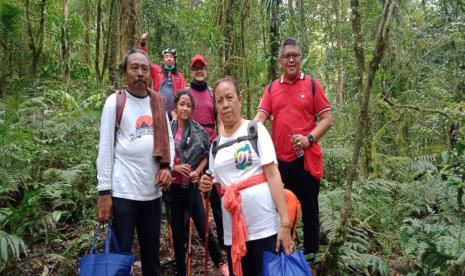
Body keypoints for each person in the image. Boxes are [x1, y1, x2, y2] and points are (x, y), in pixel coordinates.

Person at [200, 77, 294, 276]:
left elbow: (273, 174)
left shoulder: (255, 130)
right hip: (233, 233)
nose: (225, 105)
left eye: (229, 98)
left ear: (239, 99)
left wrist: (285, 224)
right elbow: (218, 189)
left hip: (265, 227)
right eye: (219, 101)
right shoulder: (215, 145)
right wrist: (205, 185)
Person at [96, 48, 174, 276]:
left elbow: (168, 139)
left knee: (152, 256)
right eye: (134, 68)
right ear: (125, 73)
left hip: (152, 194)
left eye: (144, 68)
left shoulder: (158, 102)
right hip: (123, 194)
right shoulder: (115, 102)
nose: (140, 73)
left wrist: (166, 167)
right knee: (120, 256)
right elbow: (105, 148)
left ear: (150, 73)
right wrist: (104, 193)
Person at [254, 38, 333, 257]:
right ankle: (282, 258)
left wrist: (309, 138)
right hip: (280, 164)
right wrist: (247, 131)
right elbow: (261, 115)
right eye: (287, 56)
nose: (291, 59)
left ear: (300, 58)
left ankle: (310, 261)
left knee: (310, 215)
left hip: (305, 161)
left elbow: (327, 119)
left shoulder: (312, 85)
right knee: (280, 212)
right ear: (280, 61)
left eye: (295, 55)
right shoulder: (272, 89)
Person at [168, 89, 229, 276]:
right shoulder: (167, 129)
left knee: (204, 229)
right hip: (173, 189)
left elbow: (205, 154)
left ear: (192, 109)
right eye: (182, 105)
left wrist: (197, 171)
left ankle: (219, 263)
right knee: (178, 234)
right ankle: (180, 269)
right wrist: (174, 168)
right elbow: (159, 157)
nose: (185, 108)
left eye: (188, 105)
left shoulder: (199, 131)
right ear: (175, 107)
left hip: (192, 189)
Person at [187, 54, 225, 249]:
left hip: (211, 146)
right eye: (196, 68)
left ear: (206, 70)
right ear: (191, 71)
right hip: (191, 148)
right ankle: (190, 240)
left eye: (202, 68)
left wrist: (221, 141)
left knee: (217, 194)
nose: (199, 71)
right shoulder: (185, 93)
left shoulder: (212, 93)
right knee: (190, 193)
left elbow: (219, 119)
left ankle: (223, 239)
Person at [139, 33, 186, 119]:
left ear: (175, 60)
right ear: (163, 59)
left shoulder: (179, 76)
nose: (169, 59)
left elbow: (184, 95)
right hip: (159, 110)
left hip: (175, 113)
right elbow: (145, 60)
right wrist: (143, 44)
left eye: (171, 57)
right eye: (166, 57)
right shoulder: (157, 71)